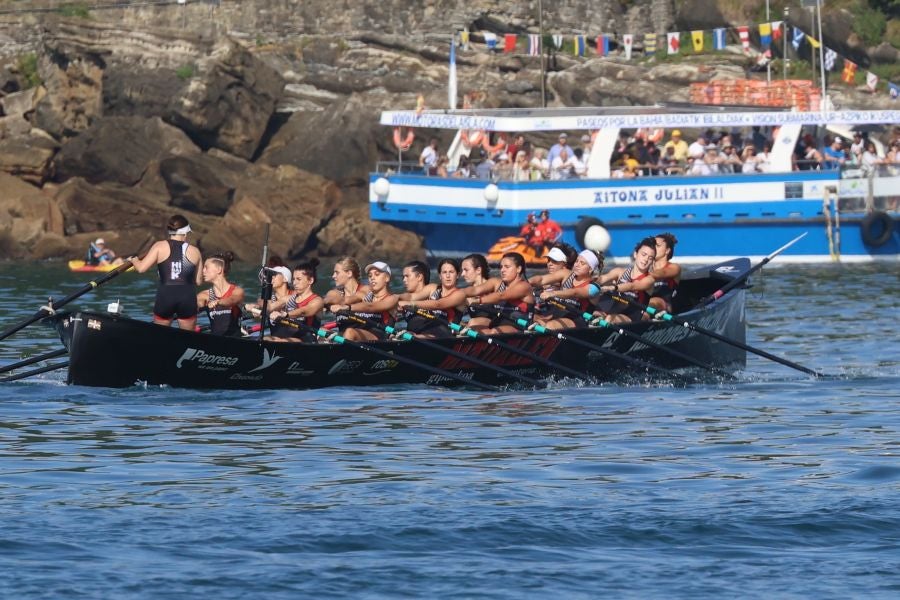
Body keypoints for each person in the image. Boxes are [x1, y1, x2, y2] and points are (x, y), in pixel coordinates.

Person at [129, 214, 203, 331]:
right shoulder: (195, 251)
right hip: (187, 297)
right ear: (185, 232)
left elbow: (141, 269)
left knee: (161, 337)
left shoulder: (159, 246)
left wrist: (134, 260)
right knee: (189, 339)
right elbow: (198, 281)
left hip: (166, 296)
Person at [588, 236, 657, 324]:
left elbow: (632, 285)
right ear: (636, 254)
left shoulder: (649, 280)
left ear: (652, 262)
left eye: (650, 258)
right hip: (614, 308)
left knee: (610, 318)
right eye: (644, 255)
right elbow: (602, 278)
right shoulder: (619, 272)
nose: (646, 259)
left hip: (633, 315)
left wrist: (613, 287)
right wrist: (591, 282)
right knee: (596, 312)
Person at [466, 252, 534, 334]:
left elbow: (501, 296)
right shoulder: (496, 283)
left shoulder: (524, 286)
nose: (502, 270)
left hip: (519, 327)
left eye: (507, 267)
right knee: (473, 323)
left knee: (494, 332)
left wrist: (477, 300)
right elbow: (475, 290)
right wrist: (460, 295)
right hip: (499, 322)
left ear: (518, 269)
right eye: (501, 267)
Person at [329, 261, 399, 341]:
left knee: (350, 332)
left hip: (381, 336)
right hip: (364, 334)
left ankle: (342, 351)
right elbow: (350, 299)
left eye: (377, 274)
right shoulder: (367, 297)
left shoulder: (392, 298)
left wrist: (346, 307)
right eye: (370, 275)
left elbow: (370, 307)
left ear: (387, 278)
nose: (372, 278)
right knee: (323, 331)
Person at [398, 258, 468, 337]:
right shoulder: (432, 288)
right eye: (444, 272)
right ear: (440, 276)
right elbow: (411, 297)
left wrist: (409, 304)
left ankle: (413, 337)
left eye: (451, 272)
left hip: (445, 332)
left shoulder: (460, 294)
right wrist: (395, 299)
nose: (448, 276)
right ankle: (411, 336)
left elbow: (438, 304)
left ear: (458, 275)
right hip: (428, 327)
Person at [535, 249, 603, 329]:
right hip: (558, 316)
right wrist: (525, 283)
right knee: (531, 318)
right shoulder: (566, 274)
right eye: (577, 261)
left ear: (590, 269)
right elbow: (541, 279)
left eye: (582, 263)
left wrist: (553, 293)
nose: (577, 265)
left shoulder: (594, 287)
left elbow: (575, 292)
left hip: (578, 321)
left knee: (551, 325)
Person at [268, 260, 324, 342]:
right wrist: (256, 307)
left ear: (310, 280)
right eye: (293, 279)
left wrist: (286, 314)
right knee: (265, 339)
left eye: (299, 279)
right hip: (287, 337)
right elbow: (270, 307)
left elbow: (304, 311)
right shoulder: (288, 298)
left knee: (278, 341)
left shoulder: (317, 301)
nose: (294, 283)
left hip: (306, 340)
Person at [196, 251, 245, 337]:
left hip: (235, 340)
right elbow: (197, 303)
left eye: (206, 267)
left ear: (219, 270)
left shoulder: (237, 291)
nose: (203, 271)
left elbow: (232, 300)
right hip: (215, 340)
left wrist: (218, 302)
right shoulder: (204, 295)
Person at [244, 265, 294, 330]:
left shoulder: (293, 295)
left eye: (274, 275)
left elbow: (270, 307)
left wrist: (262, 308)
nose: (271, 277)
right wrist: (255, 306)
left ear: (285, 279)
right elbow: (264, 303)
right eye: (270, 275)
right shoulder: (271, 298)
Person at [649, 233, 681, 314]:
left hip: (665, 307)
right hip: (644, 308)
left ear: (667, 250)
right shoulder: (645, 269)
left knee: (653, 301)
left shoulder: (674, 267)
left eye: (657, 245)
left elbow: (662, 273)